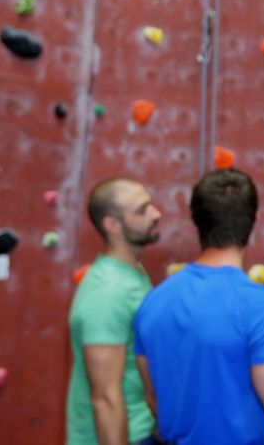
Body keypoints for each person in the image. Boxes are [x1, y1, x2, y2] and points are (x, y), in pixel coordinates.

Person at [133, 169, 264, 445]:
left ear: (197, 222)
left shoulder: (152, 304)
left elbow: (154, 400)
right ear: (252, 223)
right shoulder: (260, 307)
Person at [67, 178, 162, 445]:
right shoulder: (107, 294)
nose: (156, 214)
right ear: (112, 225)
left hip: (139, 429)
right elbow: (106, 398)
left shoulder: (131, 273)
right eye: (142, 211)